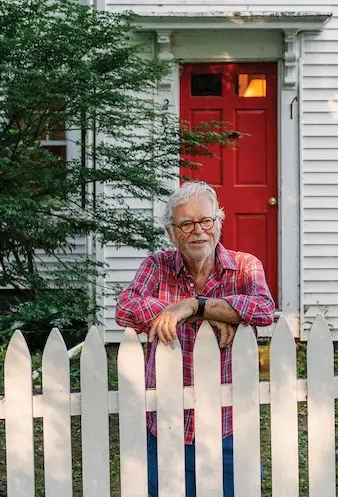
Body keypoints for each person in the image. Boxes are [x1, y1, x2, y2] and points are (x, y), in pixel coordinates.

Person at [115, 181, 276, 497]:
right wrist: (211, 314)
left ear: (219, 223)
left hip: (228, 427)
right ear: (172, 233)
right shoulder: (156, 266)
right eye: (186, 224)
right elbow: (126, 308)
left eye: (206, 221)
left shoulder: (245, 266)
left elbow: (263, 309)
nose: (198, 231)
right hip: (165, 426)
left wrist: (192, 305)